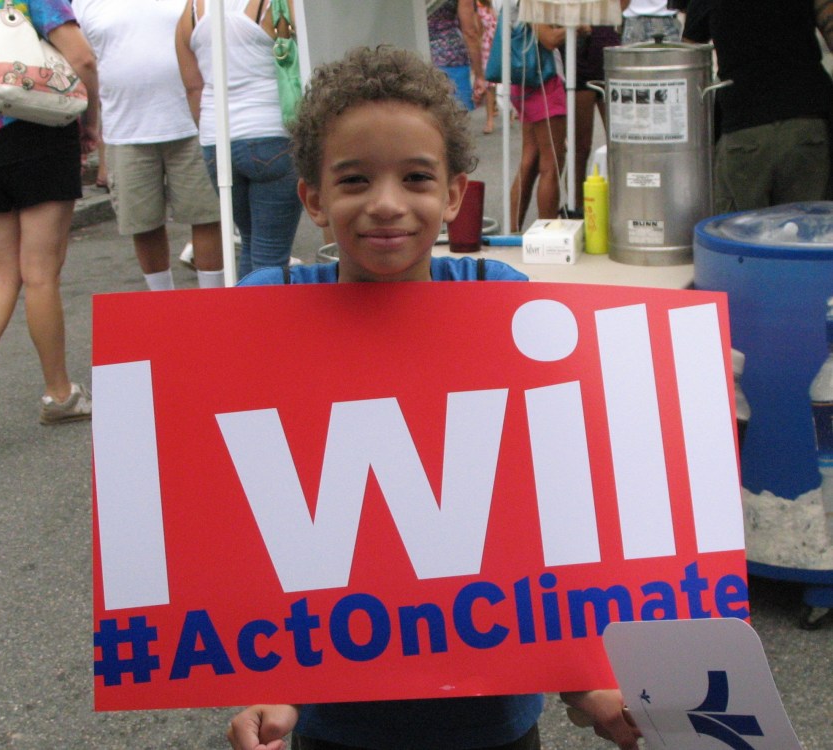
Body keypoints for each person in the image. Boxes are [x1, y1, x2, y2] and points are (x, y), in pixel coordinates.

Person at [227, 46, 642, 750]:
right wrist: (261, 681)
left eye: (416, 178)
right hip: (334, 716)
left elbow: (543, 510)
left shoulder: (499, 304)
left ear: (453, 194)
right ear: (313, 199)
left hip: (493, 717)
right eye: (354, 179)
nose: (386, 203)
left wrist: (586, 681)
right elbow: (228, 520)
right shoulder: (261, 318)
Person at [0, 0, 98, 443]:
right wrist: (89, 123)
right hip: (38, 128)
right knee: (40, 274)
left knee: (0, 273)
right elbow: (81, 58)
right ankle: (59, 394)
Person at [72, 0, 224, 291]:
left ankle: (212, 302)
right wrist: (96, 133)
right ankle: (162, 304)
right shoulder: (83, 3)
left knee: (206, 217)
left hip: (192, 122)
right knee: (142, 223)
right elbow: (83, 63)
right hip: (126, 130)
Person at [175, 0, 302, 280]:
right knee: (271, 254)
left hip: (216, 140)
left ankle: (245, 319)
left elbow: (193, 88)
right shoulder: (280, 5)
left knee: (250, 243)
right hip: (273, 133)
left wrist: (212, 133)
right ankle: (262, 321)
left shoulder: (192, 10)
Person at [683, 0, 833, 214]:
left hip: (745, 128)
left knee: (740, 236)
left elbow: (687, 56)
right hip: (806, 122)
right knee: (808, 234)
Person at [509, 17, 568, 231]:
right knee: (551, 162)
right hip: (543, 79)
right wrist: (575, 27)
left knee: (529, 160)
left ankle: (513, 230)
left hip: (524, 78)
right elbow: (549, 39)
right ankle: (548, 231)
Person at [573, 26, 620, 210]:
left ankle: (620, 203)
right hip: (579, 58)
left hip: (607, 52)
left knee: (618, 144)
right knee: (581, 147)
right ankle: (577, 208)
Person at [428, 0, 488, 111]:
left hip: (415, 53)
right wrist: (479, 75)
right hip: (451, 57)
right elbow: (470, 32)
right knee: (457, 118)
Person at [476, 0, 499, 134]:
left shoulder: (499, 6)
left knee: (514, 78)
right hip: (487, 48)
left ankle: (515, 111)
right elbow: (478, 34)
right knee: (490, 84)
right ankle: (489, 119)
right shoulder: (480, 10)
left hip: (503, 45)